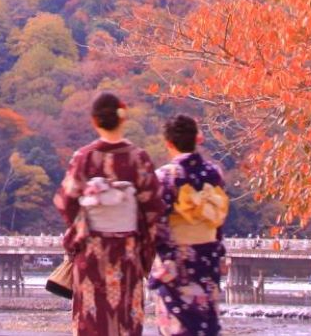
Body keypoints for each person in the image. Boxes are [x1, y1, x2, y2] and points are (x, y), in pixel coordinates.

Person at [54, 92, 163, 336]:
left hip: (92, 252)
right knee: (126, 319)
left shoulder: (84, 158)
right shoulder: (138, 159)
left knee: (91, 321)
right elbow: (153, 211)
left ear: (94, 121)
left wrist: (80, 230)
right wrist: (145, 255)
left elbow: (65, 201)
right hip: (127, 253)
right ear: (123, 119)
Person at [148, 114, 230, 336]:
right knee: (206, 326)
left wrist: (161, 255)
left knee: (177, 327)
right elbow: (218, 218)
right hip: (207, 259)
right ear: (197, 139)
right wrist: (219, 252)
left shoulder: (165, 176)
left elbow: (155, 224)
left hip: (177, 264)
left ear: (168, 143)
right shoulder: (214, 173)